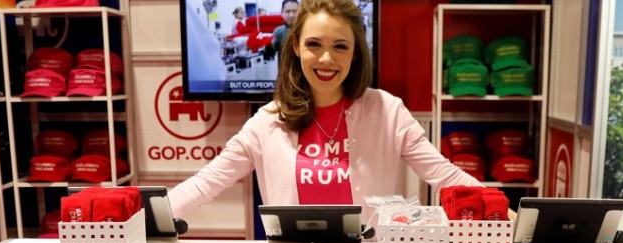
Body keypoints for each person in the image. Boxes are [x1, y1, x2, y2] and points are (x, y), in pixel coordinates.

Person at [167, 0, 483, 225]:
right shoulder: (266, 122)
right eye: (314, 44)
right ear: (295, 47)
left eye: (340, 46)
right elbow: (205, 183)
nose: (326, 58)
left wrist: (502, 213)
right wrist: (144, 217)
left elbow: (446, 176)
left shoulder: (388, 111)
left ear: (356, 51)